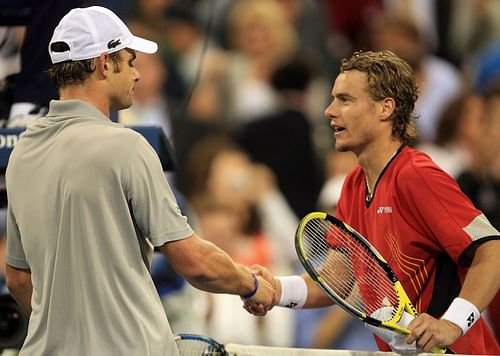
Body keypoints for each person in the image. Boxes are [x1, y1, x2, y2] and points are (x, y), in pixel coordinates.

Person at [4, 6, 273, 356]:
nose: (137, 74)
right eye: (130, 61)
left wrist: (55, 327)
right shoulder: (128, 147)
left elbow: (18, 279)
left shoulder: (21, 154)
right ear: (103, 64)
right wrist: (251, 285)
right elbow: (193, 261)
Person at [247, 50, 500, 354]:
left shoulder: (417, 175)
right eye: (332, 99)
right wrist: (276, 290)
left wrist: (451, 323)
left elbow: (492, 250)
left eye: (345, 100)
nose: (329, 110)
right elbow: (337, 280)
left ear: (385, 108)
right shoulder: (353, 186)